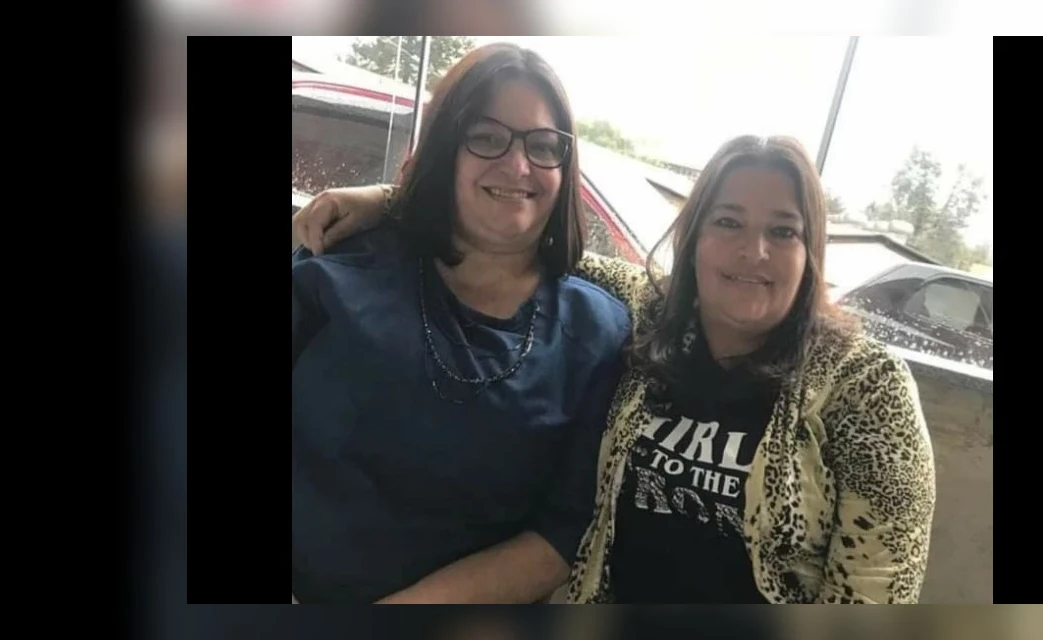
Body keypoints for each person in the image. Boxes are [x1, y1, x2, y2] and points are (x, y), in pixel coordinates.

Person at [295, 134, 937, 603]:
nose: (754, 251)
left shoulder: (864, 386)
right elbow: (518, 235)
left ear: (812, 250)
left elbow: (879, 591)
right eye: (728, 222)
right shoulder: (644, 317)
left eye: (784, 231)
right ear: (692, 239)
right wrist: (389, 200)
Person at [290, 43, 630, 603]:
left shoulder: (599, 332)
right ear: (447, 146)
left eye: (544, 145)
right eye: (487, 136)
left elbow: (559, 535)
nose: (518, 165)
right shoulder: (340, 259)